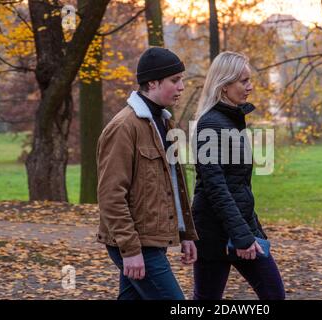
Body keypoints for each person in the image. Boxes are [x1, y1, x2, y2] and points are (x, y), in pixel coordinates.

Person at [96, 47, 198, 300]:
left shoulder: (164, 123)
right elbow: (111, 195)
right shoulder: (124, 127)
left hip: (151, 241)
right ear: (152, 83)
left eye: (181, 79)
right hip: (136, 244)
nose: (182, 86)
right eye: (175, 80)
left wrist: (185, 233)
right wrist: (130, 249)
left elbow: (174, 185)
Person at [191, 51, 285, 300]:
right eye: (243, 81)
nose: (250, 87)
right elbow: (216, 187)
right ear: (224, 85)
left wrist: (252, 230)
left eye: (249, 80)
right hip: (214, 235)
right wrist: (243, 237)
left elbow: (238, 186)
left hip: (237, 229)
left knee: (273, 293)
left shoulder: (230, 122)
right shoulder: (211, 124)